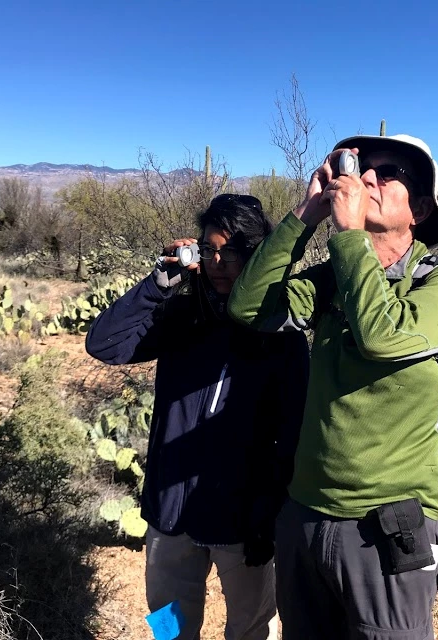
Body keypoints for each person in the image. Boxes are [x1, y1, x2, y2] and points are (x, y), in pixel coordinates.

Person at [227, 135, 438, 640]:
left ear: (420, 210)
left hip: (388, 524)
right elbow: (249, 308)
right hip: (305, 514)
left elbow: (383, 337)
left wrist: (348, 236)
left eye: (387, 174)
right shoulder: (335, 278)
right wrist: (305, 215)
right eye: (363, 167)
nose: (366, 177)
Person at [85, 193, 309, 640]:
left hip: (243, 520)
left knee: (251, 627)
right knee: (168, 626)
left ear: (259, 254)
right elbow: (104, 345)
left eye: (234, 251)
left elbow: (292, 431)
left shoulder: (280, 334)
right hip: (171, 514)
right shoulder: (182, 317)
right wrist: (157, 285)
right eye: (209, 250)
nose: (219, 262)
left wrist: (269, 514)